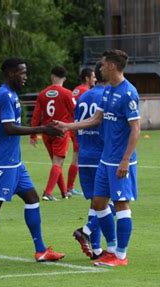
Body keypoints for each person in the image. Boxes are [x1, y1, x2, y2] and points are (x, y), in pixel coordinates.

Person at [0, 58, 65, 266]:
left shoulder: (10, 94)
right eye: (22, 73)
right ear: (10, 73)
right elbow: (9, 128)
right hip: (4, 163)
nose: (25, 76)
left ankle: (40, 250)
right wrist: (43, 129)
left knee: (32, 199)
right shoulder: (3, 95)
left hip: (14, 162)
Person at [56, 49, 140, 267]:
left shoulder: (128, 93)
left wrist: (125, 160)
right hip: (105, 159)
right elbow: (95, 119)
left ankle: (121, 255)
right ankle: (110, 249)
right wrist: (67, 126)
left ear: (111, 66)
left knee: (121, 205)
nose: (99, 68)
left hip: (120, 161)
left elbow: (136, 129)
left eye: (102, 65)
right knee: (99, 202)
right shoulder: (107, 92)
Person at [71, 62, 109, 260]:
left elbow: (77, 125)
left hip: (85, 155)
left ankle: (96, 250)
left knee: (96, 203)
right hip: (102, 155)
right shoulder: (108, 95)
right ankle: (86, 230)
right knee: (111, 202)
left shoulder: (84, 96)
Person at [30, 66, 75, 201]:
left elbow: (36, 115)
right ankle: (48, 193)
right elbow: (75, 111)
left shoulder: (43, 93)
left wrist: (33, 134)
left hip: (46, 131)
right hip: (61, 130)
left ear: (52, 76)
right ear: (64, 78)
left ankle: (64, 192)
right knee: (57, 162)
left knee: (56, 163)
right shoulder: (67, 93)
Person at [67, 67, 96, 196]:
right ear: (87, 78)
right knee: (77, 157)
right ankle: (70, 187)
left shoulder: (76, 90)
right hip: (82, 129)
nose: (95, 79)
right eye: (93, 76)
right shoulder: (86, 92)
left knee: (76, 157)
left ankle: (69, 186)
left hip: (75, 127)